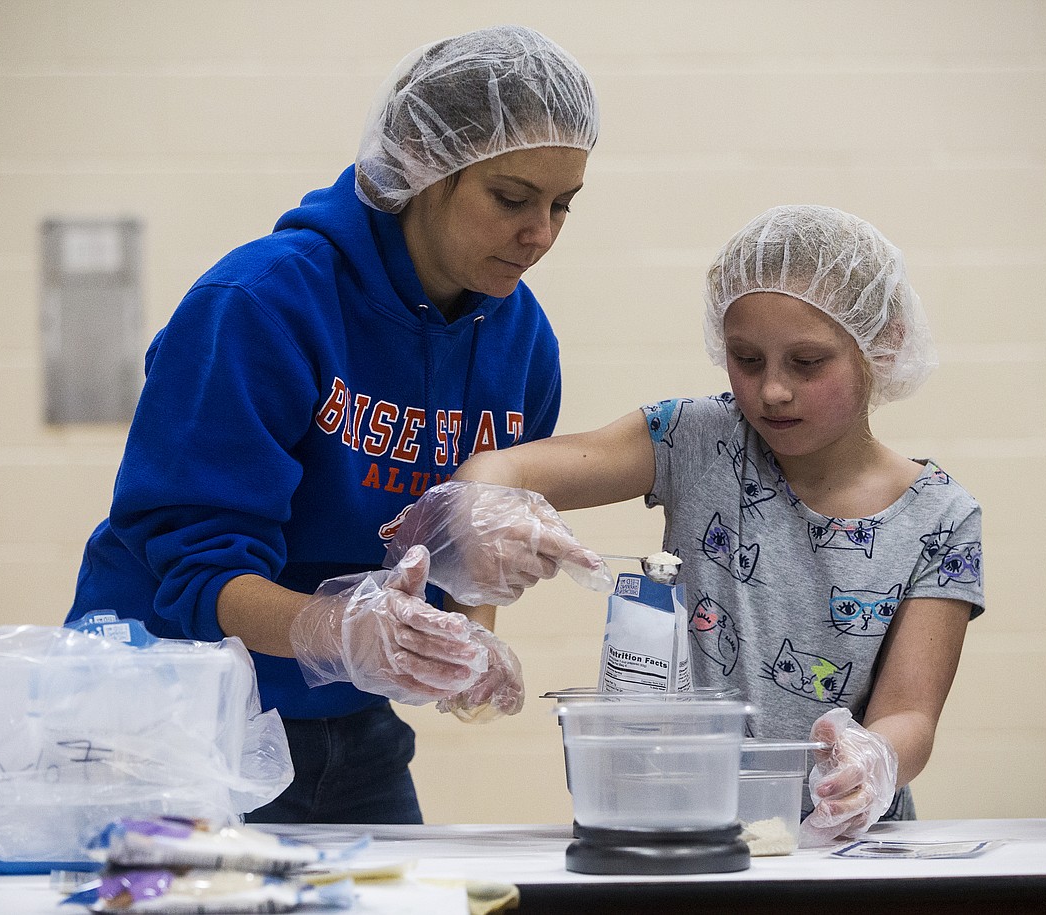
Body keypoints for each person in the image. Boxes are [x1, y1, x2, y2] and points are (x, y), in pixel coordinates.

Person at [65, 24, 601, 825]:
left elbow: (460, 551)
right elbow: (196, 574)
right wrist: (335, 627)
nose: (542, 234)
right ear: (425, 169)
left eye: (563, 205)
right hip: (170, 722)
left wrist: (468, 635)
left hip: (348, 726)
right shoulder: (258, 306)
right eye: (512, 198)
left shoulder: (522, 341)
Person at [385, 204, 985, 844]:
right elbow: (499, 470)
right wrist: (484, 545)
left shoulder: (940, 518)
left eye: (806, 362)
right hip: (683, 823)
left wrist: (874, 759)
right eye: (746, 359)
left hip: (840, 839)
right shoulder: (696, 440)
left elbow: (912, 712)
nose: (772, 390)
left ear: (882, 345)